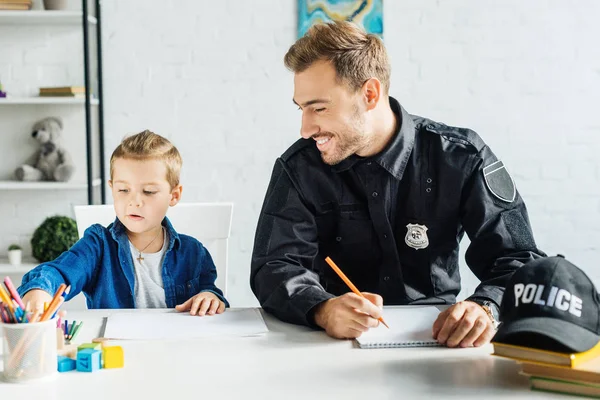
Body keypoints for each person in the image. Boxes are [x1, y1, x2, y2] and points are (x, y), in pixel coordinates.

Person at [250, 21, 545, 347]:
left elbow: (519, 258)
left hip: (442, 342)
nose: (305, 129)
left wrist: (485, 308)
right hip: (332, 344)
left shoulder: (461, 156)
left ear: (370, 94)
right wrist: (322, 308)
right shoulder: (299, 167)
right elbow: (274, 266)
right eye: (302, 109)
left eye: (318, 108)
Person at [18, 130, 228, 316]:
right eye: (123, 190)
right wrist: (40, 291)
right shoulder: (98, 245)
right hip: (116, 353)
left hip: (177, 351)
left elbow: (210, 292)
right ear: (112, 189)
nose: (134, 201)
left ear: (173, 195)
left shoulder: (193, 252)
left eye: (148, 191)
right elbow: (59, 272)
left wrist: (210, 297)